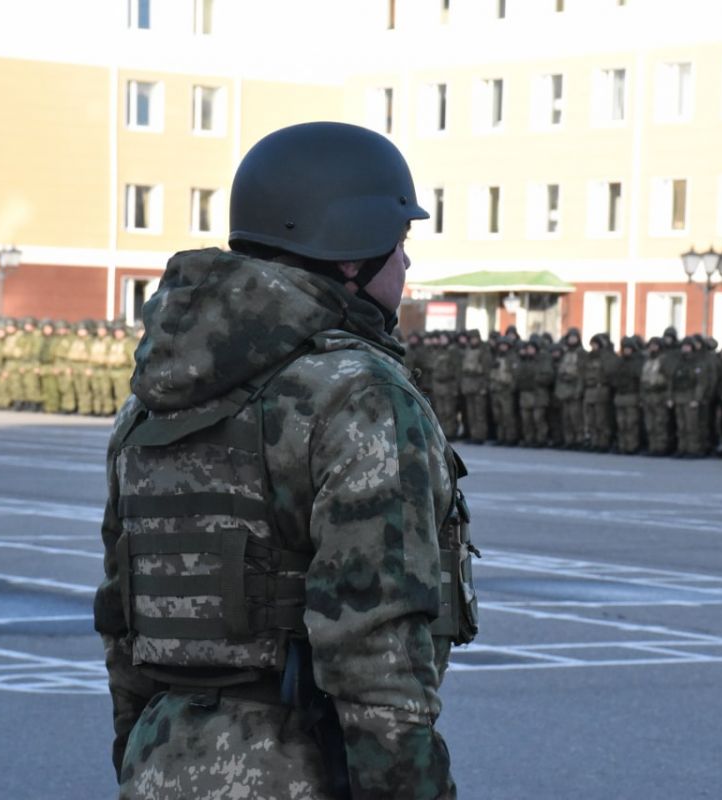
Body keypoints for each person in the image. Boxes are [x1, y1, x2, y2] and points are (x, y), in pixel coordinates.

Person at [95, 121, 477, 800]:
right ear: (353, 256)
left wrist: (141, 752)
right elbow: (373, 648)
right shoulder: (360, 394)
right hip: (300, 769)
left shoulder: (151, 400)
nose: (408, 264)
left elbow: (124, 618)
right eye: (400, 242)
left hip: (160, 764)